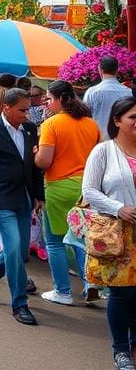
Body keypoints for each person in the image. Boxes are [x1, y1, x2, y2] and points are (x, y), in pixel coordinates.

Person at [0, 88, 46, 326]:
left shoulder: (29, 129)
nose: (27, 114)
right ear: (6, 108)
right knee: (13, 247)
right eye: (22, 110)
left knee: (21, 250)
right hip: (0, 198)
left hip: (24, 198)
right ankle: (20, 304)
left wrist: (38, 195)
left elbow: (35, 167)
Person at [35, 79, 101, 306]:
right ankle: (90, 284)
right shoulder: (91, 124)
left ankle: (62, 291)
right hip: (86, 189)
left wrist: (35, 153)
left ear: (61, 99)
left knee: (54, 242)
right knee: (81, 240)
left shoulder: (51, 124)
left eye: (49, 99)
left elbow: (44, 161)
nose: (47, 102)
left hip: (58, 186)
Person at [82, 96, 136, 370]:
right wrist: (119, 208)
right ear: (117, 120)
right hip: (118, 233)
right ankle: (121, 349)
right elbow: (89, 191)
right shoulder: (103, 151)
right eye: (133, 117)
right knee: (123, 293)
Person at [85, 55, 132, 139]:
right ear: (117, 70)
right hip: (121, 141)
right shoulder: (128, 92)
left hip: (98, 140)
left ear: (100, 69)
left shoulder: (92, 92)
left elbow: (85, 117)